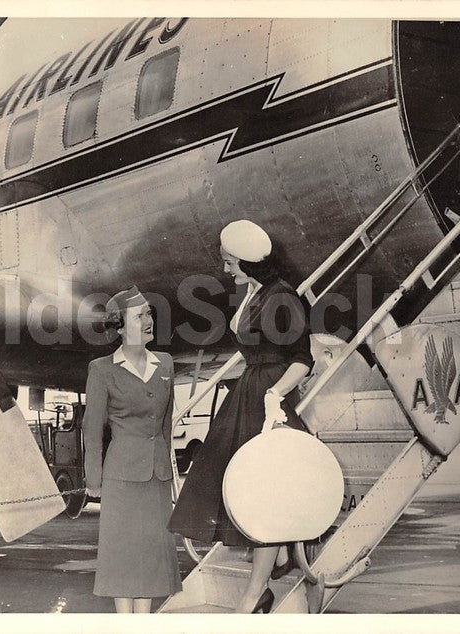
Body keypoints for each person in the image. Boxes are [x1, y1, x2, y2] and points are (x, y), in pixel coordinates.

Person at [167, 219, 314, 613]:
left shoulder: (282, 297)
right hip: (248, 393)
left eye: (229, 262)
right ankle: (277, 557)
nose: (225, 269)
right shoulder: (254, 292)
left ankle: (255, 594)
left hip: (267, 400)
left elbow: (302, 360)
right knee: (239, 484)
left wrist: (276, 394)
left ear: (248, 262)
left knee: (262, 493)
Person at [83, 286, 182, 613]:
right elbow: (92, 429)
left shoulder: (165, 364)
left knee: (153, 556)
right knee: (123, 556)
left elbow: (166, 423)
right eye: (140, 316)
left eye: (149, 313)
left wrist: (169, 469)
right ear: (121, 327)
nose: (149, 320)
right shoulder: (102, 369)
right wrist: (93, 481)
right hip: (121, 476)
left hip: (157, 476)